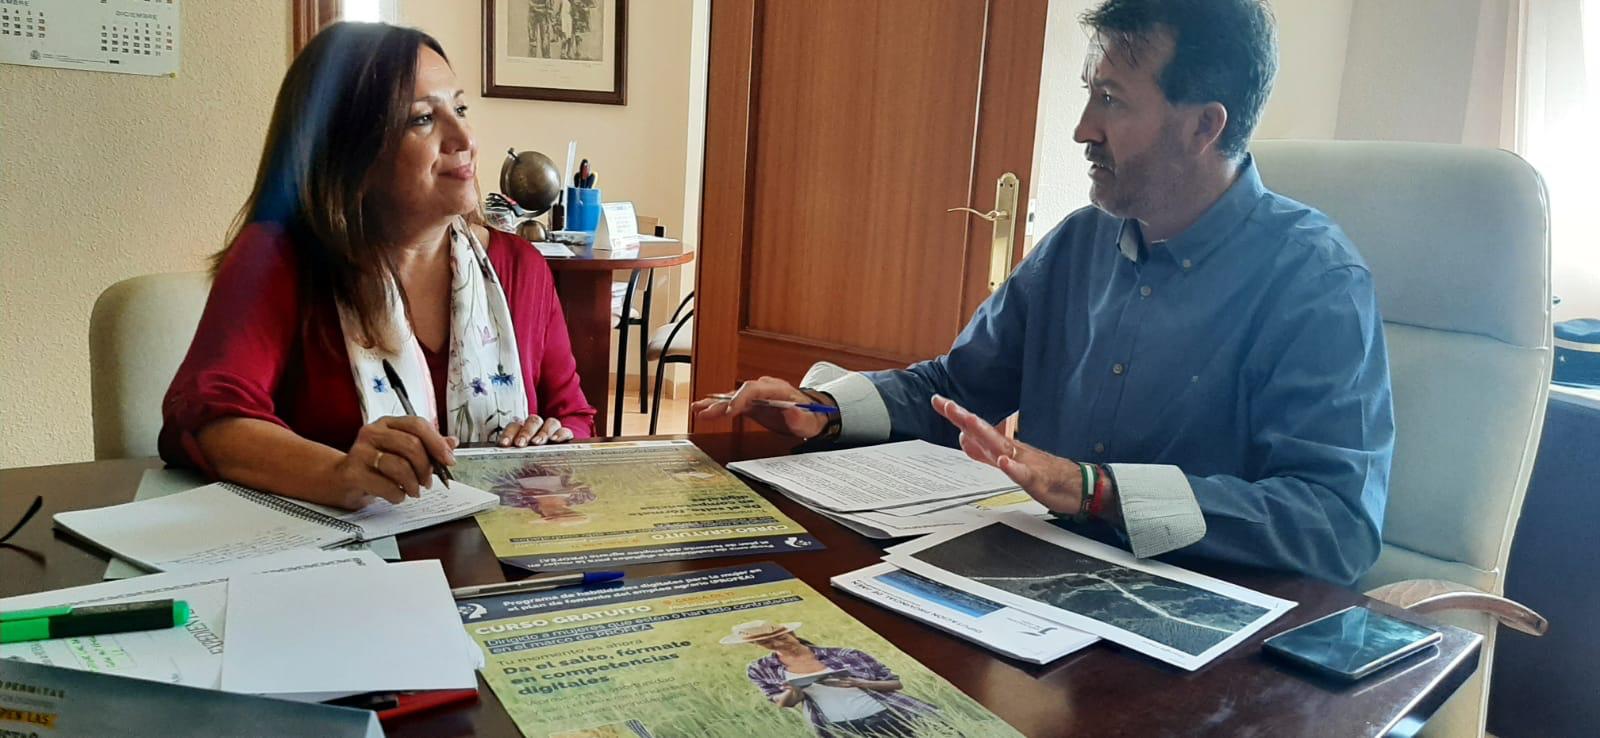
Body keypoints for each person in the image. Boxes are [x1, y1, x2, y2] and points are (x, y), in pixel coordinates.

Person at [695, 0, 1394, 586]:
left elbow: (1335, 525)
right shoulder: (1078, 243)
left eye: (1112, 101)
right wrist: (823, 409)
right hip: (1038, 589)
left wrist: (1096, 490)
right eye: (1090, 93)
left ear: (1203, 126)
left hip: (1194, 628)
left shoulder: (1315, 281)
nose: (1081, 128)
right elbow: (956, 388)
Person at [160, 23, 596, 510]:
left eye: (460, 108)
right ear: (351, 152)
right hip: (341, 563)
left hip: (490, 560)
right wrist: (340, 474)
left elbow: (574, 416)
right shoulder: (276, 261)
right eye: (422, 120)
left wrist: (554, 436)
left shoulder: (521, 268)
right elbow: (206, 419)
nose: (463, 137)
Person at [724, 620, 937, 738]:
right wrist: (793, 690)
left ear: (791, 633)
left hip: (889, 715)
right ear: (755, 646)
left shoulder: (846, 654)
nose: (778, 644)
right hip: (843, 729)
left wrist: (860, 683)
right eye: (767, 643)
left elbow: (895, 683)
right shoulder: (760, 669)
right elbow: (782, 703)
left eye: (781, 637)